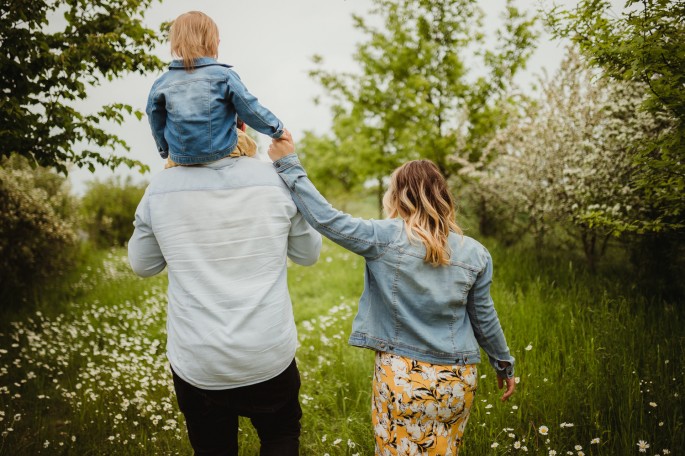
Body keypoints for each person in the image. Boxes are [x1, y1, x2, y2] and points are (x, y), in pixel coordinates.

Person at [268, 132, 516, 455]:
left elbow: (326, 219)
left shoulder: (383, 238)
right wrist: (504, 364)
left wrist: (288, 164)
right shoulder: (477, 253)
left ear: (399, 197)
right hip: (458, 379)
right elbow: (484, 319)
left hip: (403, 379)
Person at [127, 129, 322, 455]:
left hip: (199, 362)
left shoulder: (160, 189)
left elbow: (142, 265)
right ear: (241, 126)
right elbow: (308, 254)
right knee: (280, 436)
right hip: (267, 354)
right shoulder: (277, 180)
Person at [146, 11, 284, 167]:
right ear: (215, 43)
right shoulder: (224, 76)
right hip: (222, 150)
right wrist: (277, 129)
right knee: (248, 144)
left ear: (175, 43)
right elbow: (250, 109)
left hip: (180, 156)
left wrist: (164, 149)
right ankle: (256, 180)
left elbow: (155, 118)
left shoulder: (162, 83)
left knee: (168, 168)